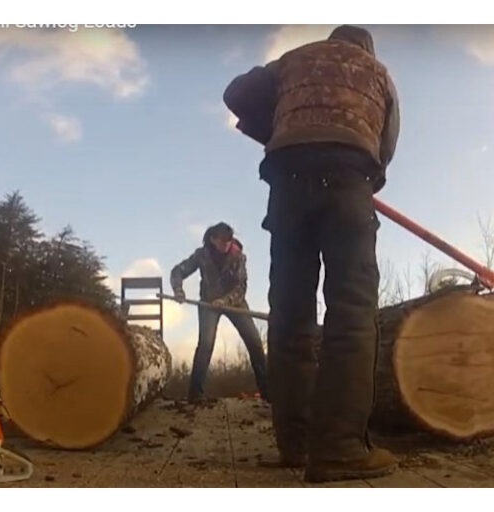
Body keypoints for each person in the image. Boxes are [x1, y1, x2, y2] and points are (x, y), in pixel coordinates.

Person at [223, 25, 400, 483]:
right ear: (366, 48)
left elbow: (236, 93)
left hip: (287, 185)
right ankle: (340, 449)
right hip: (348, 182)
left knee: (289, 314)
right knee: (352, 313)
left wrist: (279, 129)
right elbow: (386, 146)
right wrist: (363, 178)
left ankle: (295, 443)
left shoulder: (293, 59)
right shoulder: (378, 73)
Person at [170, 222, 268, 403]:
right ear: (213, 239)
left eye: (229, 241)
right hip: (208, 303)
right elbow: (178, 271)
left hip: (235, 303)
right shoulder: (201, 255)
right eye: (223, 241)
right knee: (206, 344)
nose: (227, 244)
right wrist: (178, 290)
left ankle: (268, 391)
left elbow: (241, 287)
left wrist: (225, 301)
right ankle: (195, 394)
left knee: (254, 342)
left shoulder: (238, 257)